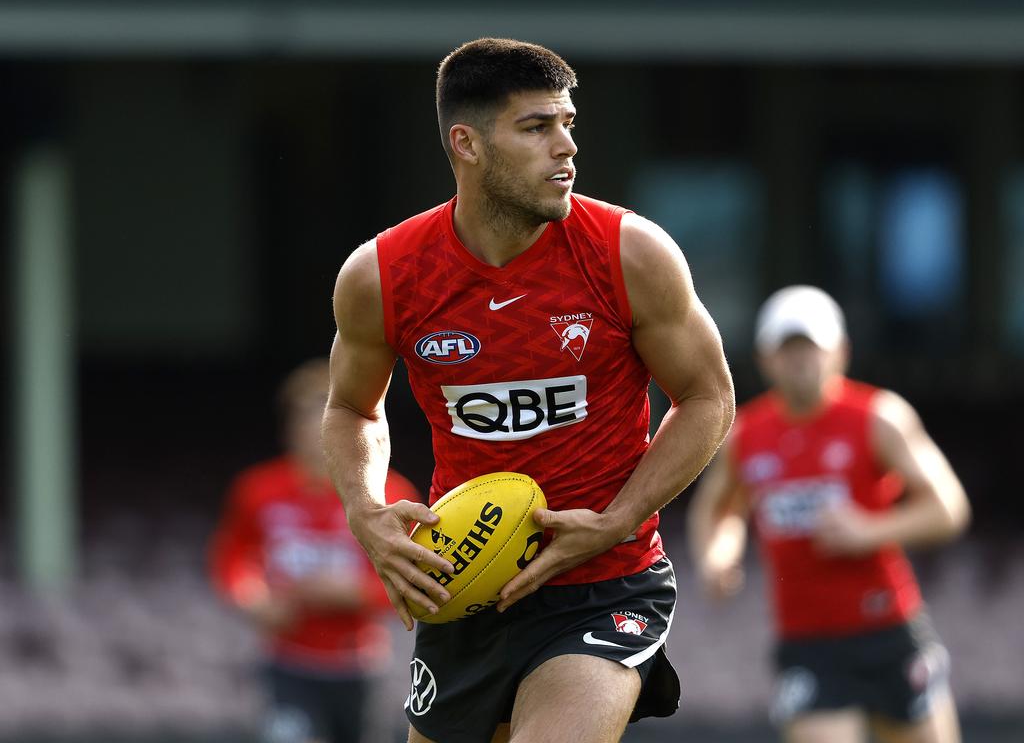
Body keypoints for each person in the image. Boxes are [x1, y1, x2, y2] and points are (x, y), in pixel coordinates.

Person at [321, 37, 735, 743]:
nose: (566, 146)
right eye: (537, 127)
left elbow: (708, 399)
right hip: (465, 589)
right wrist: (365, 510)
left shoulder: (630, 252)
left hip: (604, 583)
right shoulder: (382, 276)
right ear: (467, 143)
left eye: (568, 123)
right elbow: (352, 410)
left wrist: (618, 517)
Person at [688, 285, 971, 743]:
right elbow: (720, 509)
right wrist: (718, 556)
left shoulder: (879, 417)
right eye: (787, 349)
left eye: (811, 348)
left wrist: (871, 530)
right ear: (766, 359)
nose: (800, 361)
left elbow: (949, 508)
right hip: (809, 641)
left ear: (840, 352)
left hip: (888, 629)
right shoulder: (747, 435)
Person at [210, 358, 420, 743]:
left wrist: (352, 592)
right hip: (287, 661)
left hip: (360, 664)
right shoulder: (257, 489)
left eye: (327, 420)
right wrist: (254, 600)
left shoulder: (392, 494)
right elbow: (233, 558)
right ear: (288, 428)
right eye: (305, 420)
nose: (315, 434)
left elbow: (413, 582)